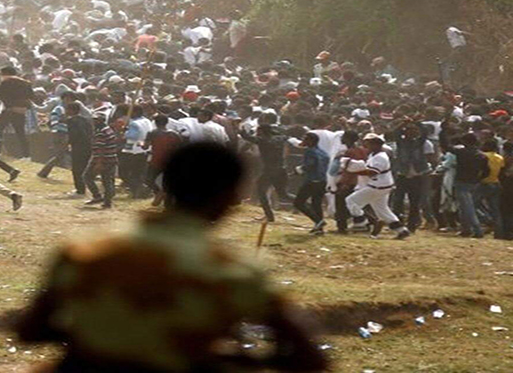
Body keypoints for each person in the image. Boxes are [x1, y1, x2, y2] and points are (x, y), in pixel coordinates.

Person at [18, 142, 328, 373]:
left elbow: (30, 331)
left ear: (166, 184)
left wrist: (103, 339)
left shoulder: (86, 250)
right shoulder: (236, 269)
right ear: (232, 196)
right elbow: (310, 356)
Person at [342, 134, 412, 239]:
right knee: (382, 209)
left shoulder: (381, 157)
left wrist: (354, 170)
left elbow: (373, 172)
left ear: (376, 144)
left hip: (377, 186)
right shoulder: (374, 155)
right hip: (382, 185)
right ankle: (401, 230)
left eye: (368, 143)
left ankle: (360, 223)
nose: (366, 145)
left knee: (350, 201)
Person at [0, 66, 33, 158]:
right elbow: (31, 96)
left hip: (9, 110)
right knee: (20, 133)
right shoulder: (26, 83)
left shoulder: (6, 82)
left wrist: (8, 104)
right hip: (21, 111)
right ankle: (26, 155)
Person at [293, 132, 329, 234]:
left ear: (311, 141)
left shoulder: (310, 151)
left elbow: (310, 165)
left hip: (312, 181)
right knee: (316, 204)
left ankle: (318, 221)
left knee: (298, 203)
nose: (303, 141)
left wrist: (299, 170)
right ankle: (319, 229)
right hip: (322, 181)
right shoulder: (323, 152)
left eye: (305, 139)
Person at [82, 110, 118, 208]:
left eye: (96, 120)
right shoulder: (109, 130)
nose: (94, 122)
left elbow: (100, 149)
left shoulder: (101, 133)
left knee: (87, 177)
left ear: (101, 121)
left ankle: (97, 196)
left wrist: (99, 163)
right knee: (107, 181)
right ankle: (107, 202)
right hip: (111, 159)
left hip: (102, 160)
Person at [63, 101, 94, 198]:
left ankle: (80, 190)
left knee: (77, 169)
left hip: (78, 147)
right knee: (85, 168)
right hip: (88, 146)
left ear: (72, 110)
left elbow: (74, 135)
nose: (65, 111)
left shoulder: (72, 121)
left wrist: (67, 144)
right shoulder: (86, 120)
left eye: (67, 109)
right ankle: (85, 188)